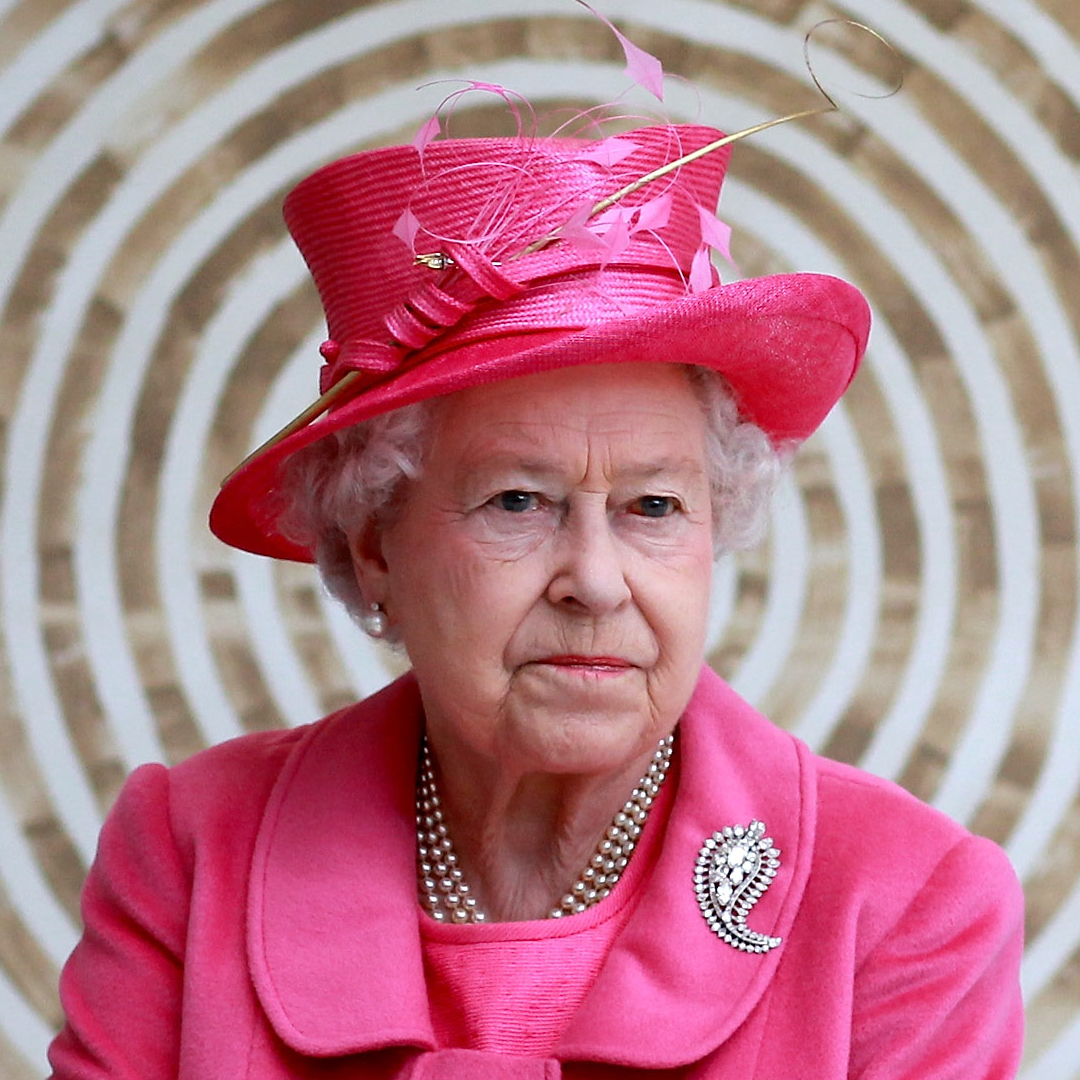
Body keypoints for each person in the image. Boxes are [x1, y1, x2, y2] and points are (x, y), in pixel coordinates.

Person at [47, 108, 1024, 1078]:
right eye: (518, 500)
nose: (596, 580)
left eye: (652, 506)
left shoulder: (906, 904)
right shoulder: (189, 855)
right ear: (374, 540)